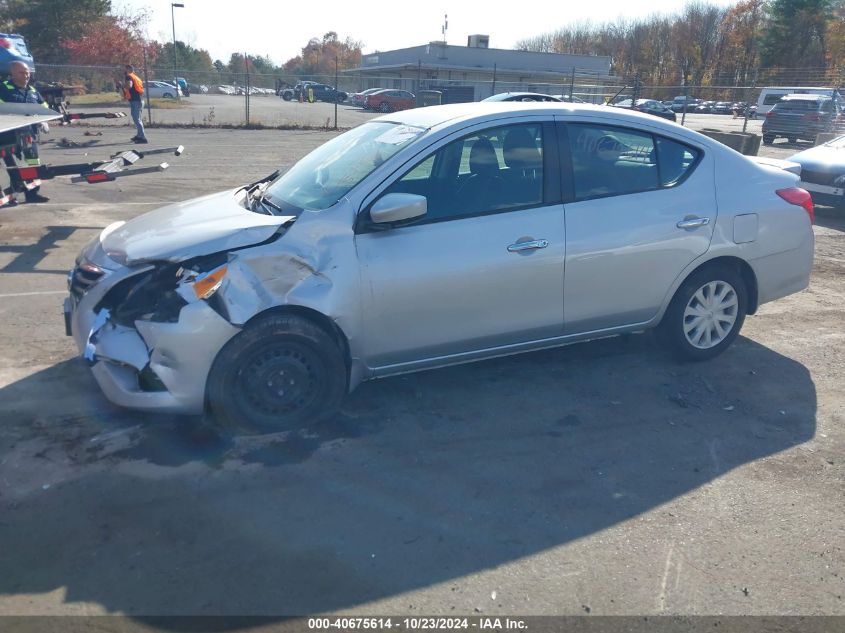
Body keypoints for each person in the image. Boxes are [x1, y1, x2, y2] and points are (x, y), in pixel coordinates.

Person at [0, 61, 50, 204]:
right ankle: (12, 195)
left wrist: (44, 120)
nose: (26, 75)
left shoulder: (33, 91)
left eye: (27, 72)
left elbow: (43, 106)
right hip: (7, 136)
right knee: (12, 167)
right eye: (22, 72)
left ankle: (32, 194)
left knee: (33, 164)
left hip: (29, 134)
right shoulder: (3, 88)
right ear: (13, 73)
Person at [123, 64, 147, 144]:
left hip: (136, 101)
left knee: (137, 119)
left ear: (129, 69)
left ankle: (143, 138)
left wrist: (122, 85)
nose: (124, 71)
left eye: (125, 69)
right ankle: (139, 135)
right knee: (138, 119)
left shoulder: (129, 76)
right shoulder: (136, 77)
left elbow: (129, 86)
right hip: (140, 100)